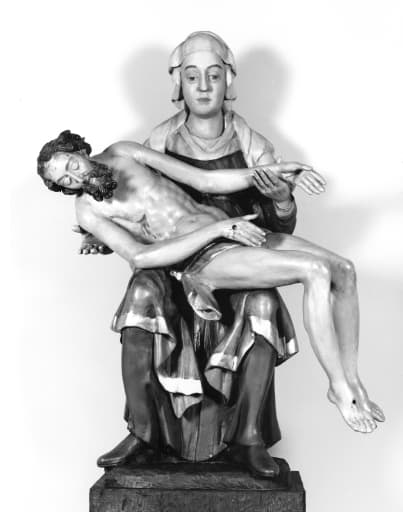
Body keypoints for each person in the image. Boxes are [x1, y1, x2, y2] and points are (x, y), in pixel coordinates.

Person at [38, 131, 384, 452]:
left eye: (71, 164)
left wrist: (273, 171)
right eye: (65, 180)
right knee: (315, 271)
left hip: (237, 231)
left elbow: (203, 180)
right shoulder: (89, 210)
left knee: (343, 270)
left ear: (80, 150)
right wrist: (220, 229)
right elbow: (140, 257)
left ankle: (353, 380)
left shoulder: (124, 152)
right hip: (204, 257)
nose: (75, 177)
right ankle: (338, 387)